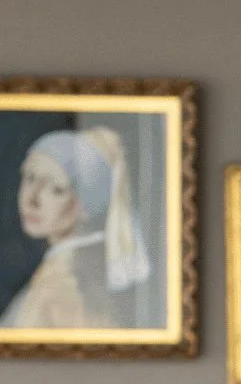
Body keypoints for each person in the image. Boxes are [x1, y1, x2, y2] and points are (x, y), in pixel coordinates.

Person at [0, 126, 150, 328]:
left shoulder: (65, 283)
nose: (32, 199)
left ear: (86, 205)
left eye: (56, 189)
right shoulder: (58, 271)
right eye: (30, 178)